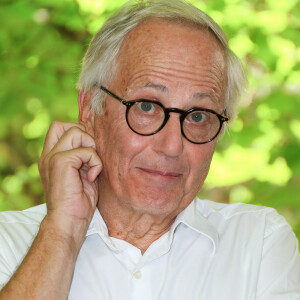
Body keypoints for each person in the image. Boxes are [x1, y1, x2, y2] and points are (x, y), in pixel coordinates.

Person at [0, 0, 299, 299]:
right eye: (147, 106)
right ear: (91, 108)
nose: (171, 146)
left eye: (197, 116)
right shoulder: (10, 243)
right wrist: (61, 234)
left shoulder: (258, 242)